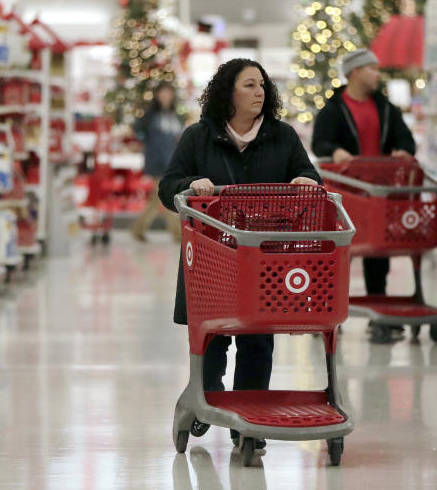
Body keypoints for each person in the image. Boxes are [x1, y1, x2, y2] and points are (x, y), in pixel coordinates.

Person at [159, 58, 320, 450]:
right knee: (212, 338)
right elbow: (168, 187)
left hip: (265, 260)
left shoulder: (283, 137)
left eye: (262, 85)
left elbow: (310, 177)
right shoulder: (199, 137)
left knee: (258, 340)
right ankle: (208, 397)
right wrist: (189, 184)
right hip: (213, 259)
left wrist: (305, 181)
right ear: (228, 92)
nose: (259, 92)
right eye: (249, 85)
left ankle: (249, 422)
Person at [312, 48, 417, 338]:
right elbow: (320, 142)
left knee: (378, 251)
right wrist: (336, 152)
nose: (378, 74)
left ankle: (379, 313)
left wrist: (403, 150)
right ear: (355, 72)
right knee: (340, 253)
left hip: (379, 192)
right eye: (372, 68)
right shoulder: (333, 109)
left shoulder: (385, 108)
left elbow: (406, 139)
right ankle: (328, 312)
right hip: (345, 193)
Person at [131, 81, 184, 242]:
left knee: (157, 198)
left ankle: (138, 229)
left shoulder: (175, 116)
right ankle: (177, 233)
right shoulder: (151, 115)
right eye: (163, 92)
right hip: (157, 163)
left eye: (168, 92)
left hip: (171, 162)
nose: (166, 96)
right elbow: (137, 130)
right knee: (167, 196)